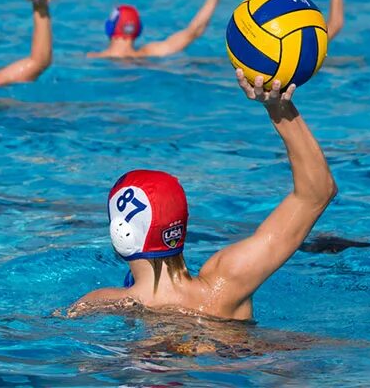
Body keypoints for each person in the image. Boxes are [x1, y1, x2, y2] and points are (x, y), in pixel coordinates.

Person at [69, 71, 337, 320]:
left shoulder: (96, 305)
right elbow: (316, 193)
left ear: (120, 231)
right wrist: (278, 107)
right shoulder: (226, 284)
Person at [89, 0, 242, 60]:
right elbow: (193, 32)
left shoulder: (92, 58)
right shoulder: (149, 54)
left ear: (109, 27)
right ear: (138, 30)